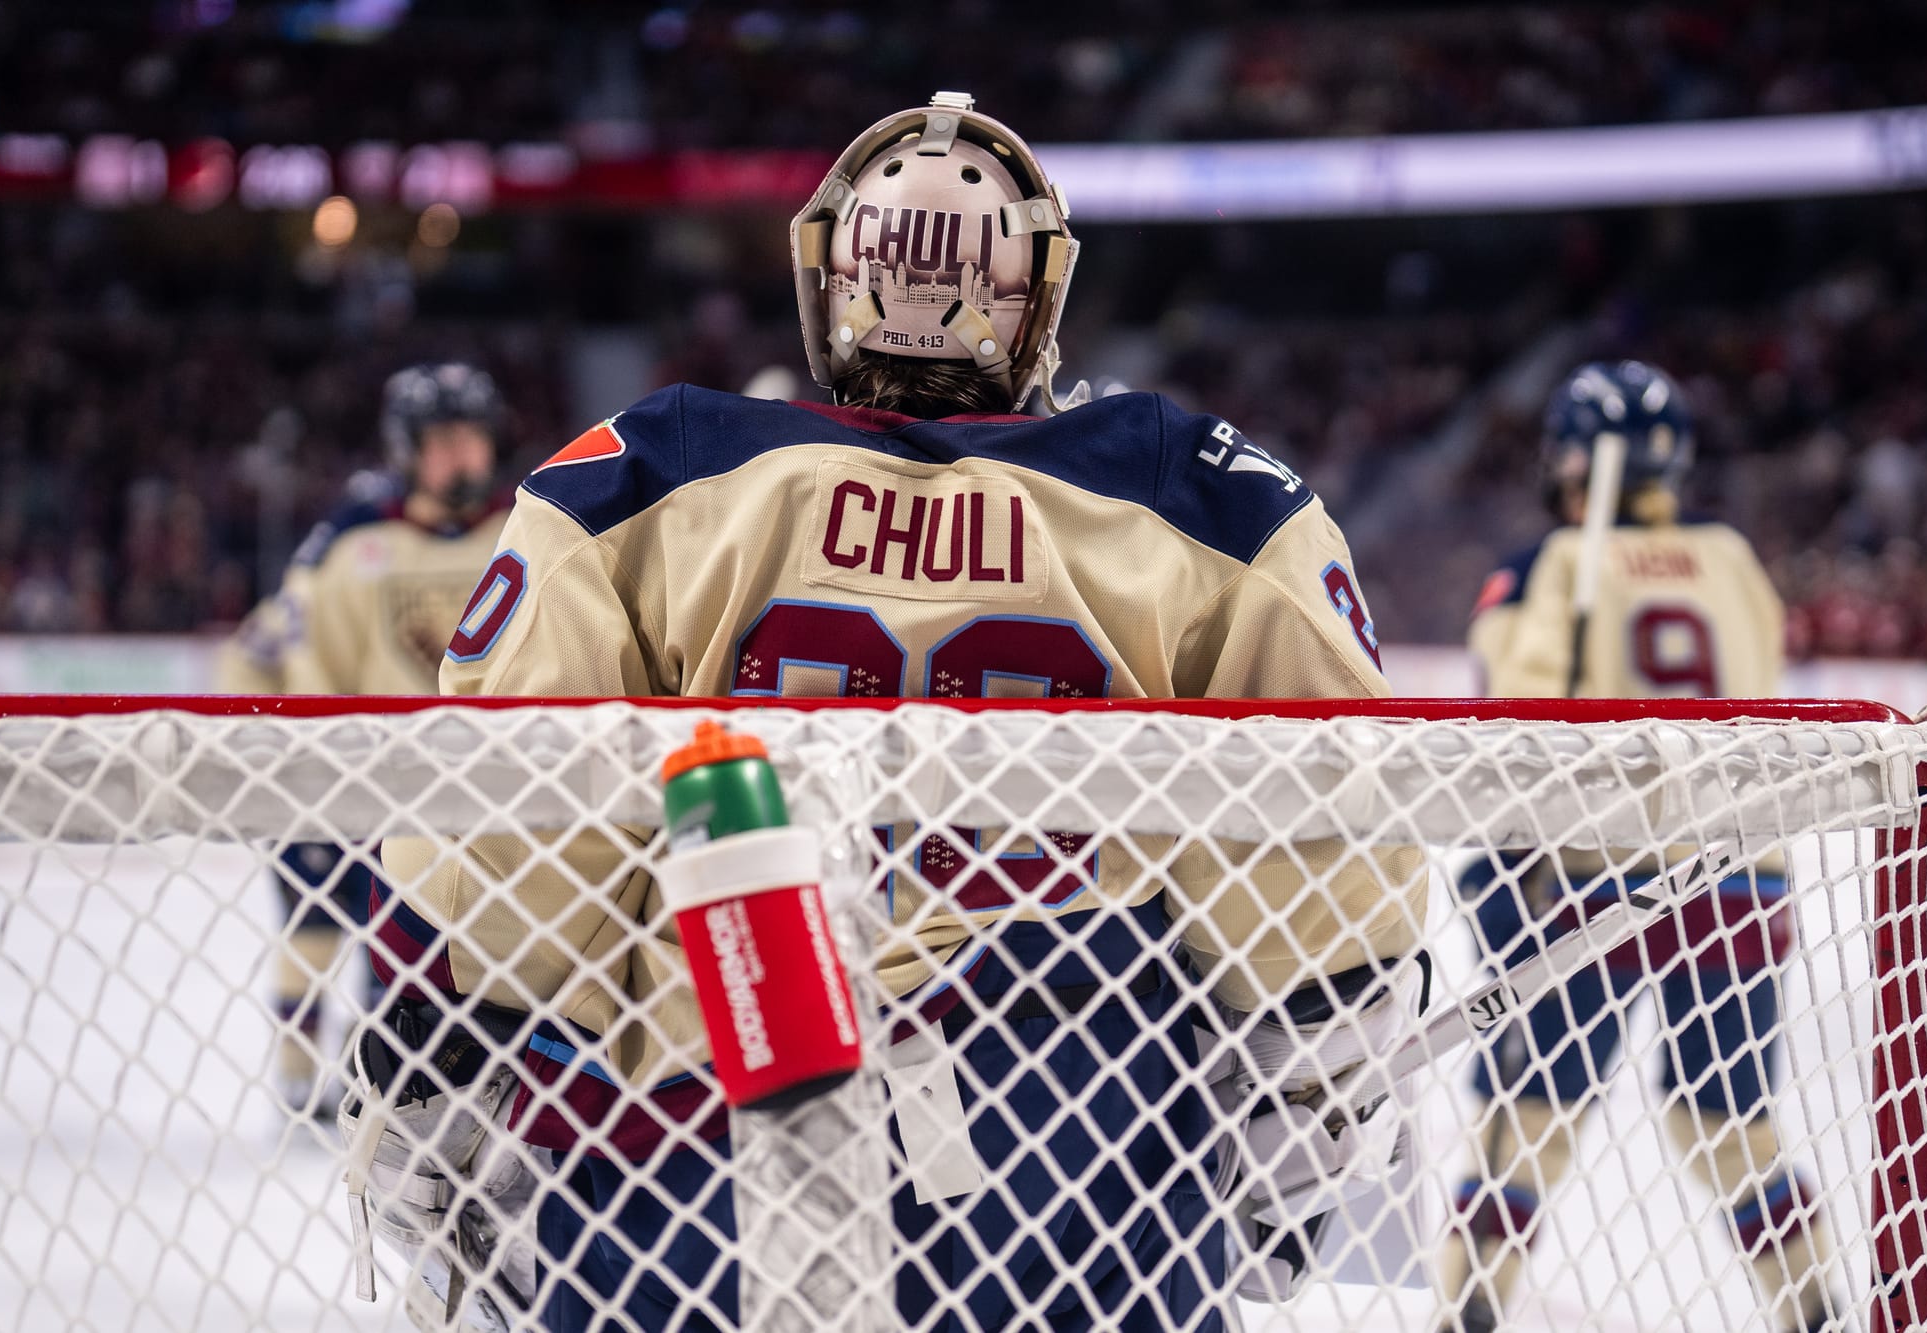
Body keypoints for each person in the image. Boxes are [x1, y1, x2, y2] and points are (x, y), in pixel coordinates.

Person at [369, 92, 1427, 1332]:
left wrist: (448, 1121)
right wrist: (1284, 1159)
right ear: (1035, 294)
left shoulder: (644, 472)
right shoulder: (1210, 504)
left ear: (833, 278)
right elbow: (1317, 871)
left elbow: (507, 856)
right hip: (1086, 1164)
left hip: (704, 1142)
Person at [1437, 360, 1836, 1333]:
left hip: (1580, 878)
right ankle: (1815, 1310)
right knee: (1728, 1125)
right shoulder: (1734, 561)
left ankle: (1468, 1314)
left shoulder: (1547, 566)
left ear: (1568, 459)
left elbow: (1516, 716)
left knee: (1524, 1122)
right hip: (1733, 872)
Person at [220, 366, 508, 1118]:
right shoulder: (352, 548)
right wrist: (313, 766)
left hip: (470, 790)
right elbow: (298, 653)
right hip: (357, 777)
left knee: (423, 951)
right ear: (406, 449)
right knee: (314, 923)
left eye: (474, 439)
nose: (465, 458)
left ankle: (401, 1078)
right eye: (446, 442)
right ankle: (299, 1081)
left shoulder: (524, 532)